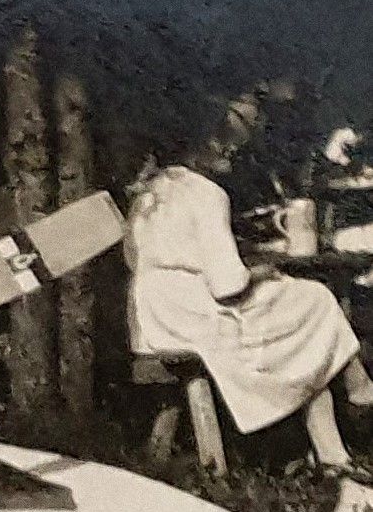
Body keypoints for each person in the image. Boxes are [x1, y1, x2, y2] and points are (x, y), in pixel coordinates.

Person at [125, 125, 373, 477]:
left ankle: (333, 454)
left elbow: (139, 259)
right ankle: (360, 389)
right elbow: (228, 286)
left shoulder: (154, 188)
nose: (230, 149)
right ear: (195, 144)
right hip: (201, 320)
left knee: (300, 310)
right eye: (219, 140)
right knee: (314, 297)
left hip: (159, 315)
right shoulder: (207, 193)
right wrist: (260, 271)